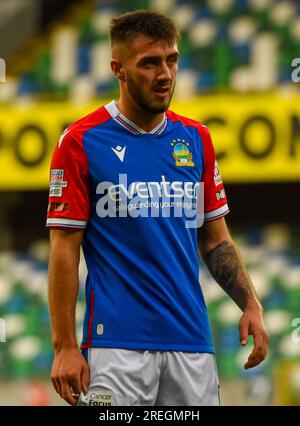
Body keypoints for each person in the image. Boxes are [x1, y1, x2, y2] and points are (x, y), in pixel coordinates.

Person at [47, 10, 269, 406]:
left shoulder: (196, 139)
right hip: (116, 346)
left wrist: (250, 303)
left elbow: (216, 240)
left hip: (193, 345)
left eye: (172, 59)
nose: (165, 73)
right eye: (149, 63)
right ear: (118, 69)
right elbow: (65, 247)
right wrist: (64, 345)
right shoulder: (81, 141)